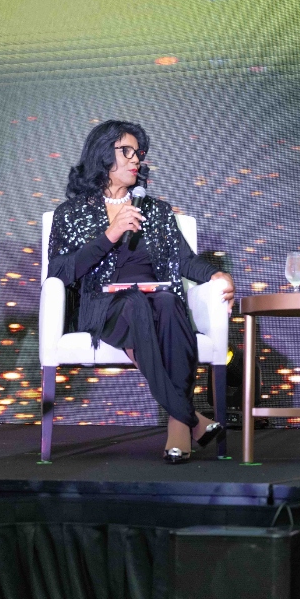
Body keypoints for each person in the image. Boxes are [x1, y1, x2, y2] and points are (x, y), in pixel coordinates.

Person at [48, 120, 235, 464]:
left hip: (155, 301)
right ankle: (190, 420)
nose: (136, 160)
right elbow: (60, 271)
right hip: (101, 305)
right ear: (103, 156)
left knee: (166, 301)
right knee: (136, 304)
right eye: (127, 152)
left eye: (139, 153)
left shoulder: (157, 211)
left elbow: (185, 262)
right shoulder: (71, 213)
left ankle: (179, 427)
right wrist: (110, 234)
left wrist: (217, 274)